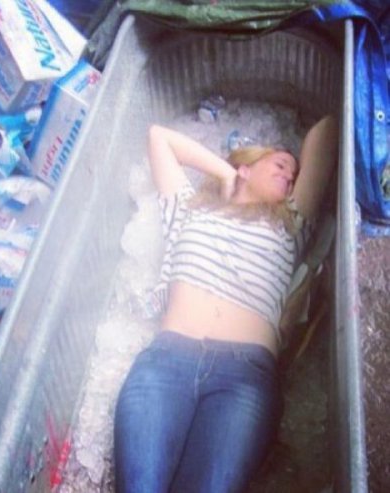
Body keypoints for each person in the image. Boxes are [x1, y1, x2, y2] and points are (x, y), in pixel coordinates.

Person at [113, 115, 338, 493]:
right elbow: (158, 138)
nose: (289, 175)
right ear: (246, 167)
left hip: (243, 376)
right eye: (280, 164)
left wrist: (264, 173)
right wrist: (228, 174)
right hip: (167, 362)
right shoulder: (190, 209)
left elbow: (328, 129)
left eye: (293, 175)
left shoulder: (289, 225)